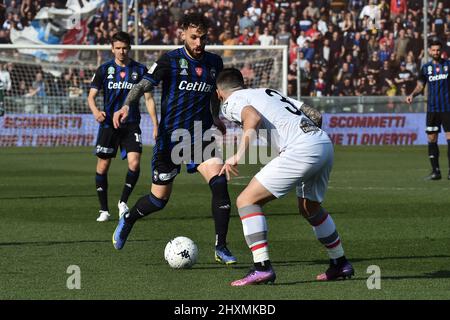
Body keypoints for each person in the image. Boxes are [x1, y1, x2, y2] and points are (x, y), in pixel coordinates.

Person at [111, 13, 237, 265]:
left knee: (220, 183)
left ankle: (220, 247)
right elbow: (144, 84)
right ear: (182, 34)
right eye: (193, 37)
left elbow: (214, 94)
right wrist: (126, 105)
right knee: (158, 200)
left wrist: (215, 117)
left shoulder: (215, 62)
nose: (199, 42)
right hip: (171, 139)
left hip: (201, 137)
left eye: (202, 37)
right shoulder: (170, 60)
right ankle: (129, 219)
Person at [216, 68, 353, 286]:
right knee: (310, 208)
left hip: (300, 149)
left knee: (246, 200)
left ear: (219, 92)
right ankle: (340, 263)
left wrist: (238, 155)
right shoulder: (269, 91)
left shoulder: (231, 101)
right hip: (323, 143)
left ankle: (262, 267)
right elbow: (316, 115)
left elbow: (252, 117)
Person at [88, 31, 157, 222]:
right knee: (103, 166)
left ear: (130, 48)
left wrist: (155, 125)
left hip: (131, 124)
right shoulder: (104, 69)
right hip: (109, 124)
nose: (121, 51)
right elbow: (91, 96)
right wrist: (95, 112)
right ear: (112, 49)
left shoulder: (141, 70)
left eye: (125, 48)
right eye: (117, 48)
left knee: (135, 163)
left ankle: (123, 202)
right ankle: (104, 210)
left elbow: (149, 99)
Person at [406, 38, 450, 180]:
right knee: (432, 139)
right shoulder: (426, 68)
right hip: (432, 109)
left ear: (441, 51)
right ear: (429, 51)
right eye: (433, 50)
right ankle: (436, 171)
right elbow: (420, 86)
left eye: (438, 50)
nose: (436, 52)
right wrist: (412, 94)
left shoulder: (448, 65)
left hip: (447, 108)